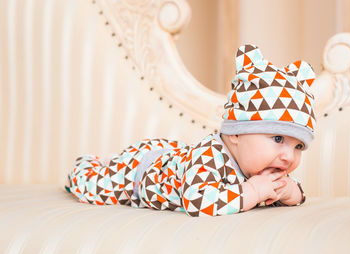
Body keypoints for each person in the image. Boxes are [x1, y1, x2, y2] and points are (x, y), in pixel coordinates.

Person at [66, 44, 316, 217]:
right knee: (95, 187)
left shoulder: (264, 166)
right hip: (141, 173)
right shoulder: (208, 157)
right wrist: (252, 191)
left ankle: (109, 162)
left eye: (298, 146)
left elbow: (295, 193)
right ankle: (88, 165)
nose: (288, 156)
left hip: (175, 154)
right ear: (236, 134)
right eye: (278, 138)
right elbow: (197, 201)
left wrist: (290, 192)